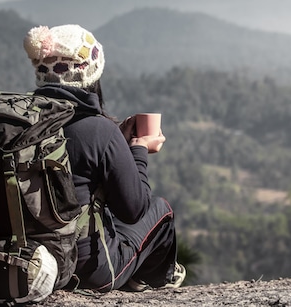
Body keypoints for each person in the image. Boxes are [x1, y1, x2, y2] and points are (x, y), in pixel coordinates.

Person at [23, 24, 186, 292]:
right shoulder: (98, 129)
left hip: (25, 259)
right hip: (86, 270)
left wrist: (117, 144)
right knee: (161, 210)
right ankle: (150, 281)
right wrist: (138, 150)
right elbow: (134, 210)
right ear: (90, 74)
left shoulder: (21, 124)